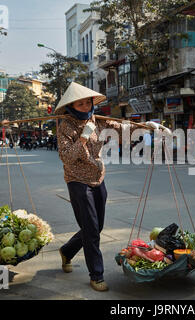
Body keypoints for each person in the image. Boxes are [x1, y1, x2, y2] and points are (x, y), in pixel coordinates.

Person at [55, 82, 159, 292]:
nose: (85, 106)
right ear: (71, 106)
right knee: (92, 230)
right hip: (77, 180)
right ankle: (96, 275)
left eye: (87, 102)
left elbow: (123, 128)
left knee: (95, 226)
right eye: (80, 103)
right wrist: (83, 137)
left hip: (98, 177)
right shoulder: (65, 126)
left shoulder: (99, 121)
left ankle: (67, 250)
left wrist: (149, 126)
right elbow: (66, 157)